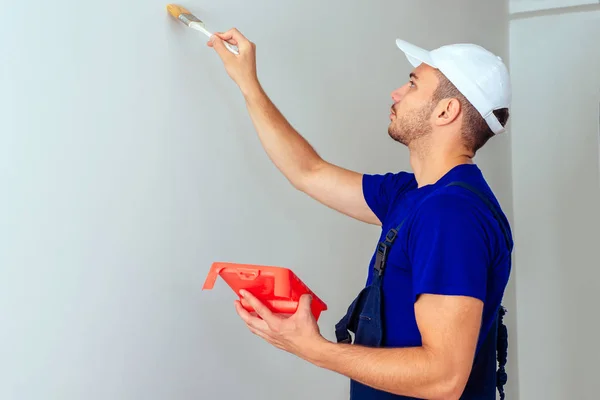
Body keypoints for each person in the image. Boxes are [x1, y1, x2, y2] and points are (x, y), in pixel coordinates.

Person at [207, 28, 514, 400]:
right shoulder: (414, 194)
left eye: (413, 85)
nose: (396, 93)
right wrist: (247, 82)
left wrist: (311, 348)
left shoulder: (451, 215)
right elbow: (309, 172)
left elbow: (444, 378)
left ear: (446, 111)